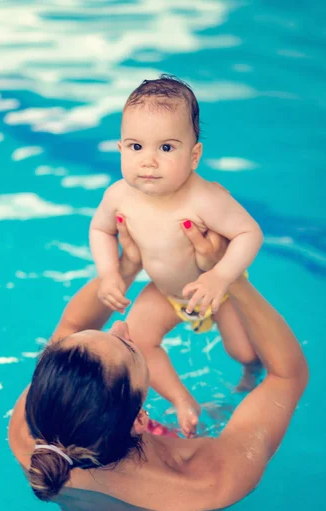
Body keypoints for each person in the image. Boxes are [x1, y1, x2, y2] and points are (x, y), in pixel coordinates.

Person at [9, 220, 308, 511]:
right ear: (138, 419)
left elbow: (72, 324)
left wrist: (127, 265)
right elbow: (288, 377)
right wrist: (232, 278)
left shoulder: (28, 436)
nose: (121, 326)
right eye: (129, 348)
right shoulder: (205, 480)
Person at [89, 75, 264, 437]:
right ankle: (184, 401)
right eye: (136, 147)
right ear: (120, 149)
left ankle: (251, 376)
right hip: (167, 292)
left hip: (220, 289)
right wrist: (110, 274)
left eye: (166, 148)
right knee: (136, 339)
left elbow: (250, 233)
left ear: (194, 155)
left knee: (243, 352)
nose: (149, 161)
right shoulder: (119, 195)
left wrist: (220, 277)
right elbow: (100, 230)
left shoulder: (206, 199)